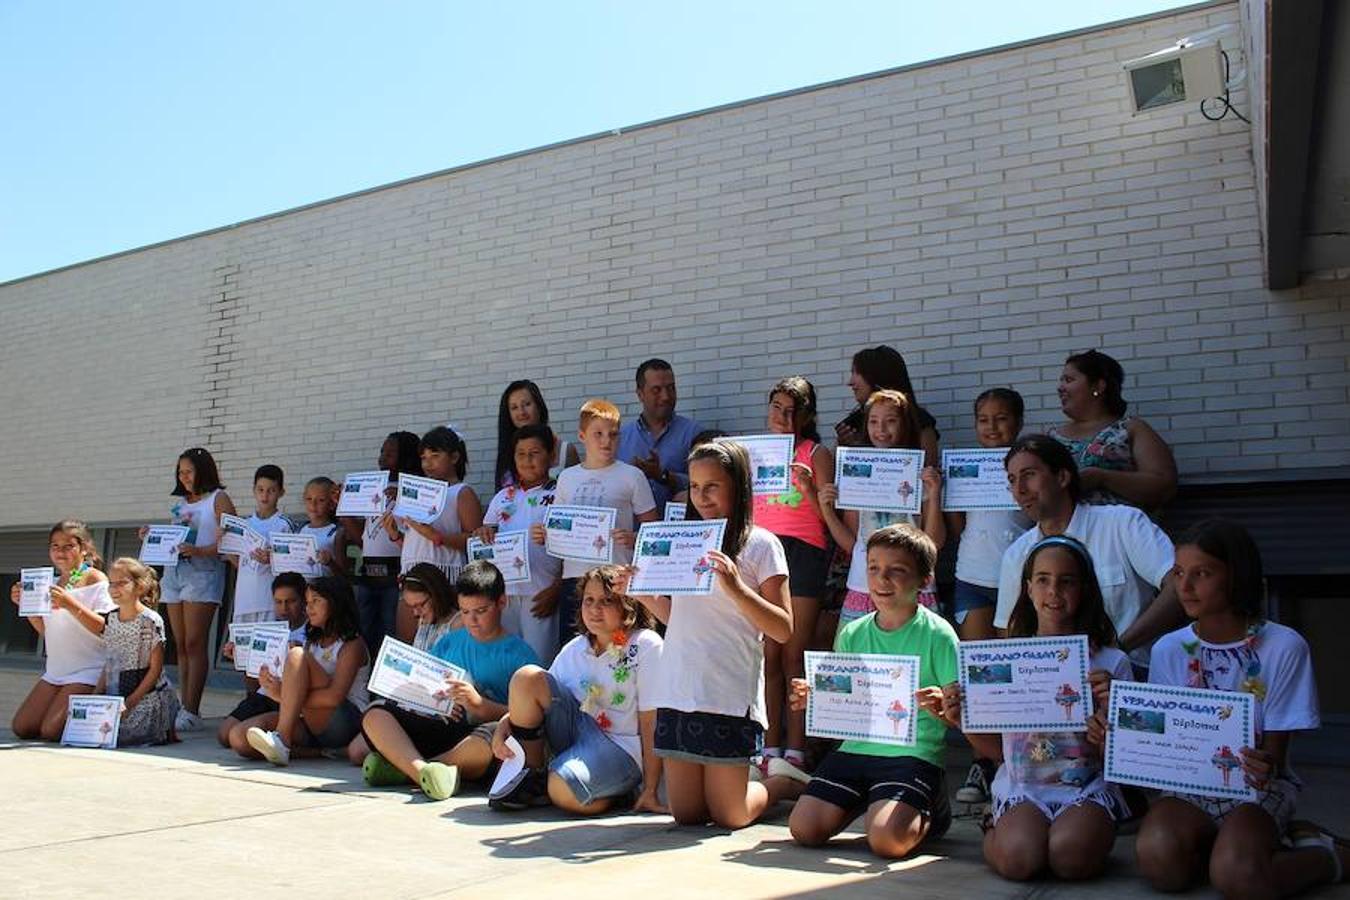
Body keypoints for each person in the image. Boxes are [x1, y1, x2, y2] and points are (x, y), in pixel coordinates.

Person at [1132, 520, 1345, 896]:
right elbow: (1162, 735)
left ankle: (1329, 856)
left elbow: (1273, 761)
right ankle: (1236, 847)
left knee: (1238, 878)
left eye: (1202, 573)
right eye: (1179, 573)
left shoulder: (1282, 646)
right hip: (1188, 788)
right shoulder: (1169, 649)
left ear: (1235, 576)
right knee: (1159, 863)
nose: (1185, 587)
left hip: (1256, 789)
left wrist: (1262, 763)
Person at [625, 438, 804, 828]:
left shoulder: (761, 545)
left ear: (737, 486)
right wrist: (640, 591)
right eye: (694, 486)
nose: (701, 497)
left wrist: (737, 588)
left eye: (712, 486)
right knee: (686, 815)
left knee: (731, 815)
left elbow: (783, 628)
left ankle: (780, 784)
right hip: (679, 688)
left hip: (728, 692)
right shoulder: (683, 540)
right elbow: (678, 617)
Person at [942, 536, 1130, 881]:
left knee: (1070, 860)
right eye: (1043, 579)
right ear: (1028, 589)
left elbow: (1123, 762)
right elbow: (1000, 752)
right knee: (1019, 861)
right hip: (1023, 788)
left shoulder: (1111, 663)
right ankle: (995, 828)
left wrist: (1109, 720)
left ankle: (1093, 832)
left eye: (1066, 581)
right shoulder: (1007, 661)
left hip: (1085, 789)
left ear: (1085, 589)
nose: (1053, 591)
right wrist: (962, 721)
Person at [787, 524, 957, 858]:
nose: (882, 579)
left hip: (912, 753)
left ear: (925, 580)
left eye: (897, 571)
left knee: (886, 842)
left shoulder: (940, 635)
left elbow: (956, 710)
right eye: (874, 568)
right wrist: (818, 696)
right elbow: (845, 694)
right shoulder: (852, 632)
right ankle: (873, 798)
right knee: (804, 829)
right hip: (856, 749)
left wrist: (943, 705)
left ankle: (931, 807)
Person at [489, 565, 665, 814]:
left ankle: (615, 791)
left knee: (563, 791)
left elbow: (651, 722)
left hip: (620, 749)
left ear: (628, 605)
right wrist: (503, 725)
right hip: (576, 734)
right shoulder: (576, 647)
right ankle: (531, 776)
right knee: (526, 677)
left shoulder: (645, 644)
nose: (594, 609)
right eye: (588, 600)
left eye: (607, 601)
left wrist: (650, 789)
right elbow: (534, 696)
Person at [996, 435, 1181, 668]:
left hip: (1133, 674)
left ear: (1062, 477)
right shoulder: (1016, 553)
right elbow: (1007, 632)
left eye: (1029, 475)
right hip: (1052, 683)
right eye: (1012, 480)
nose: (1019, 490)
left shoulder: (1123, 523)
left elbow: (1178, 585)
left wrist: (1117, 649)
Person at [946, 388, 1033, 805]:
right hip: (972, 577)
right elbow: (959, 524)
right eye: (984, 419)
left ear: (1018, 422)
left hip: (1017, 582)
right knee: (979, 675)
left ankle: (1016, 760)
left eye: (1001, 419)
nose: (992, 427)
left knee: (1012, 675)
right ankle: (983, 761)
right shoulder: (966, 466)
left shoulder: (1027, 466)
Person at [754, 376, 834, 778]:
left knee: (793, 654)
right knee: (767, 655)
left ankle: (797, 748)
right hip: (764, 549)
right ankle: (770, 745)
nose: (783, 418)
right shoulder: (754, 452)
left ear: (807, 416)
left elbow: (831, 521)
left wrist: (807, 488)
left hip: (804, 552)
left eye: (792, 411)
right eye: (777, 408)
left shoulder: (817, 453)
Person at [814, 389, 945, 629]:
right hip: (864, 585)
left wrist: (934, 495)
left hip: (911, 585)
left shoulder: (920, 475)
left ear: (905, 425)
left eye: (891, 421)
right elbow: (853, 543)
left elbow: (934, 542)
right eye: (874, 421)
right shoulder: (857, 475)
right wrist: (827, 510)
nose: (881, 429)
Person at [539, 399, 658, 648]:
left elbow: (653, 532)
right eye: (598, 434)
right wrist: (545, 534)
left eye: (613, 435)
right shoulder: (567, 478)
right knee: (576, 650)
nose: (606, 441)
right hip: (575, 578)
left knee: (619, 650)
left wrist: (634, 537)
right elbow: (559, 528)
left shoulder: (632, 475)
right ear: (582, 436)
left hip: (615, 579)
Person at [55, 557, 182, 746]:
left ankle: (164, 726)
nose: (114, 589)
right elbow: (111, 661)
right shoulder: (111, 619)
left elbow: (155, 670)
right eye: (111, 584)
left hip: (146, 694)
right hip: (118, 691)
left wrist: (130, 703)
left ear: (139, 587)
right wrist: (95, 697)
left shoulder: (150, 620)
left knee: (121, 735)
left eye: (122, 583)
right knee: (89, 732)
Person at [245, 578, 370, 765]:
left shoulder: (353, 644)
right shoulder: (312, 642)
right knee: (239, 739)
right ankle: (321, 752)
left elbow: (334, 697)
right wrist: (272, 684)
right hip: (312, 717)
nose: (309, 608)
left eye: (316, 601)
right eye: (308, 602)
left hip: (346, 721)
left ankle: (283, 740)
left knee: (296, 654)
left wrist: (284, 695)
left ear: (336, 603)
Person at [154, 447, 236, 732]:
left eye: (188, 471)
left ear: (203, 470)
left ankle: (192, 708)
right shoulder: (179, 504)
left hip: (203, 574)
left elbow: (232, 541)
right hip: (174, 573)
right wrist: (151, 537)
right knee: (181, 644)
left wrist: (199, 550)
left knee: (194, 642)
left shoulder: (218, 498)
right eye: (180, 472)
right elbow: (173, 539)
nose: (184, 477)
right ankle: (182, 705)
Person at [351, 563, 461, 772]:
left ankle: (413, 764)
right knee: (357, 751)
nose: (415, 612)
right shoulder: (424, 622)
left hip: (439, 709)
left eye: (420, 605)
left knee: (368, 744)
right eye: (411, 606)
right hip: (413, 701)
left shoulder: (457, 624)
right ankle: (406, 762)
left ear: (436, 594)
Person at [8, 520, 112, 741]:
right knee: (22, 727)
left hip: (87, 670)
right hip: (56, 671)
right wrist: (25, 606)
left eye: (68, 546)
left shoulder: (95, 578)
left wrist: (69, 603)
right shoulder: (50, 582)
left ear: (84, 549)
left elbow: (106, 628)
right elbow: (47, 631)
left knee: (50, 731)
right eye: (55, 546)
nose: (60, 552)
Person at [476, 423, 564, 663]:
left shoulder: (562, 494)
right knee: (505, 662)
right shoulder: (502, 497)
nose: (527, 460)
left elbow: (574, 549)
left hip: (542, 592)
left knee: (539, 663)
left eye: (534, 453)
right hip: (504, 596)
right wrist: (483, 532)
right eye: (521, 454)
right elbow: (485, 538)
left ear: (551, 455)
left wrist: (557, 589)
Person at [1048, 350, 1177, 509]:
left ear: (1098, 386)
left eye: (1069, 380)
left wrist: (1102, 478)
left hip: (1121, 531)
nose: (1060, 388)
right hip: (1063, 532)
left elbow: (1164, 486)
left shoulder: (1131, 429)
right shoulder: (1051, 438)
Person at [391, 426, 483, 639]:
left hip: (444, 577)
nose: (428, 463)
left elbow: (475, 541)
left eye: (435, 455)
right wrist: (395, 534)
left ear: (454, 457)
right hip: (412, 575)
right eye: (423, 457)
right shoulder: (418, 493)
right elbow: (415, 542)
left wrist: (437, 536)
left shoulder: (462, 492)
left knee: (441, 641)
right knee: (408, 641)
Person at [346, 431, 421, 661]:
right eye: (381, 452)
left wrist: (405, 495)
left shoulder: (415, 491)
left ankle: (388, 691)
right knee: (365, 632)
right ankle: (366, 686)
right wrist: (344, 510)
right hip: (368, 574)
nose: (381, 459)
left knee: (393, 635)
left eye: (390, 454)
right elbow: (363, 539)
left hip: (395, 575)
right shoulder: (374, 491)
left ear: (407, 458)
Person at [217, 572, 309, 754]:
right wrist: (240, 656)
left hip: (287, 696)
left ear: (303, 601)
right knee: (224, 735)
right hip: (264, 693)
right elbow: (255, 673)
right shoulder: (266, 629)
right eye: (278, 602)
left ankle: (300, 749)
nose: (284, 608)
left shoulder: (311, 631)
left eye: (291, 601)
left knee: (239, 739)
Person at [224, 465, 292, 697]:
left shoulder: (284, 524)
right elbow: (238, 561)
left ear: (281, 492)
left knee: (267, 659)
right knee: (245, 658)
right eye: (261, 489)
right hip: (244, 601)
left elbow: (291, 566)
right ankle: (251, 702)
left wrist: (272, 559)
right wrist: (224, 541)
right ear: (254, 490)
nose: (265, 495)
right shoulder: (244, 525)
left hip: (267, 600)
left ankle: (269, 703)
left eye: (271, 490)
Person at [617, 358, 702, 511]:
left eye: (671, 388)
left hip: (678, 532)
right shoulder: (620, 439)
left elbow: (706, 484)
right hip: (631, 532)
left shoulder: (693, 433)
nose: (666, 396)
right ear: (640, 394)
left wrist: (664, 476)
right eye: (656, 390)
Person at [834, 346, 940, 464]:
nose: (850, 382)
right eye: (873, 422)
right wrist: (845, 449)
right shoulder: (850, 427)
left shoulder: (919, 421)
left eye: (857, 372)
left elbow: (930, 468)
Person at [493, 380, 579, 489]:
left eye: (527, 404)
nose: (521, 412)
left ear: (539, 406)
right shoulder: (506, 452)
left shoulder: (565, 450)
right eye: (514, 407)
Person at [299, 476, 345, 580]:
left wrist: (330, 562)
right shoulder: (299, 530)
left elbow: (343, 575)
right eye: (309, 499)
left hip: (325, 593)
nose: (313, 504)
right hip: (302, 592)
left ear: (332, 504)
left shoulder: (336, 532)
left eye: (321, 500)